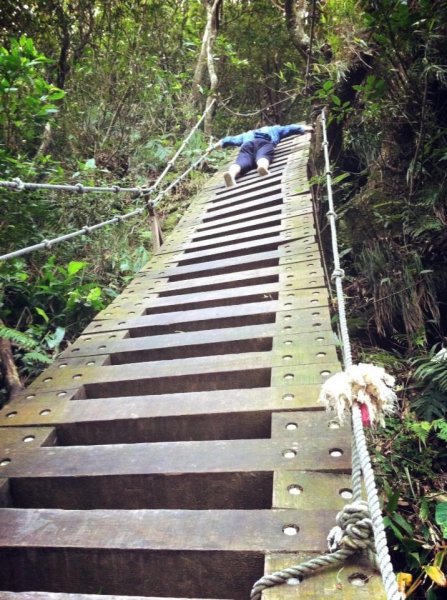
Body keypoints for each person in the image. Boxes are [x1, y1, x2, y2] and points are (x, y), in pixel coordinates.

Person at [217, 123, 314, 187]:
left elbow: (231, 139)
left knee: (241, 162)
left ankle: (231, 174)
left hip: (247, 145)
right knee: (263, 155)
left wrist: (220, 143)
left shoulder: (246, 134)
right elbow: (289, 129)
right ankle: (262, 167)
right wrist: (304, 128)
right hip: (263, 143)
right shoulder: (274, 129)